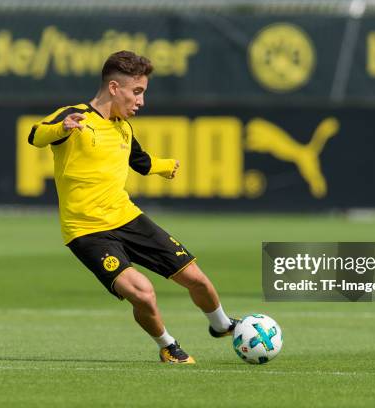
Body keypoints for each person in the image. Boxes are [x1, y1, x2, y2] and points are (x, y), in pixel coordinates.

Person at [28, 50, 238, 364]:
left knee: (197, 279)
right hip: (87, 231)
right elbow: (36, 134)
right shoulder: (76, 116)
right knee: (142, 292)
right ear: (114, 88)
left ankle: (221, 325)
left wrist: (165, 166)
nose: (141, 101)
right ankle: (167, 345)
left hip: (128, 218)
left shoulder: (123, 128)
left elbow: (140, 162)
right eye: (137, 92)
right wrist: (62, 128)